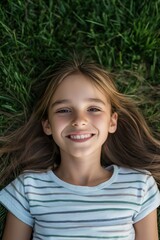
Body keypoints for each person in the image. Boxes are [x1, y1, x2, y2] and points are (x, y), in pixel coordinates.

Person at [0, 57, 160, 240]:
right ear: (47, 125)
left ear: (112, 121)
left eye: (93, 109)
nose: (79, 120)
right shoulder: (28, 188)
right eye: (63, 110)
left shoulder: (139, 185)